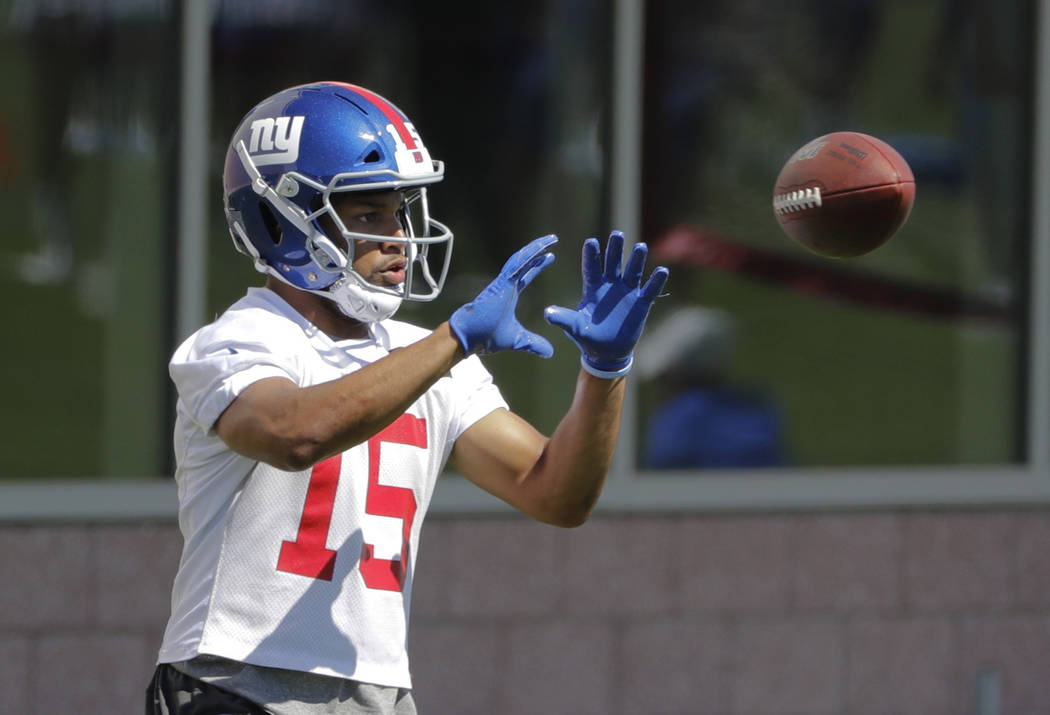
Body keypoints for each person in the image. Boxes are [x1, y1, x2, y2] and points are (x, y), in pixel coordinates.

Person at [146, 81, 668, 714]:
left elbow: (556, 492)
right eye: (368, 214)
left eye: (400, 211)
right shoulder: (236, 340)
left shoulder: (427, 352)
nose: (398, 236)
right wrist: (456, 338)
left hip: (379, 690)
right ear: (280, 219)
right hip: (236, 681)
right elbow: (292, 434)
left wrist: (605, 371)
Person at [637, 306, 785, 469]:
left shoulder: (680, 419)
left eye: (661, 380)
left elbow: (662, 465)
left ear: (676, 376)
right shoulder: (757, 409)